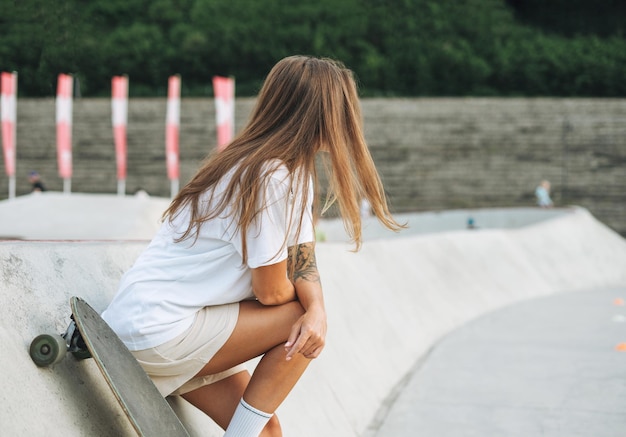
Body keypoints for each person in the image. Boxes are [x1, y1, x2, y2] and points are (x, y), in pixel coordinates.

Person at [101, 55, 402, 437]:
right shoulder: (271, 175)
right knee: (299, 322)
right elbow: (273, 290)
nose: (348, 122)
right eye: (341, 110)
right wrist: (310, 313)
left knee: (266, 430)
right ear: (318, 114)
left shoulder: (279, 169)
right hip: (160, 330)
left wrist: (319, 308)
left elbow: (302, 261)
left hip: (156, 326)